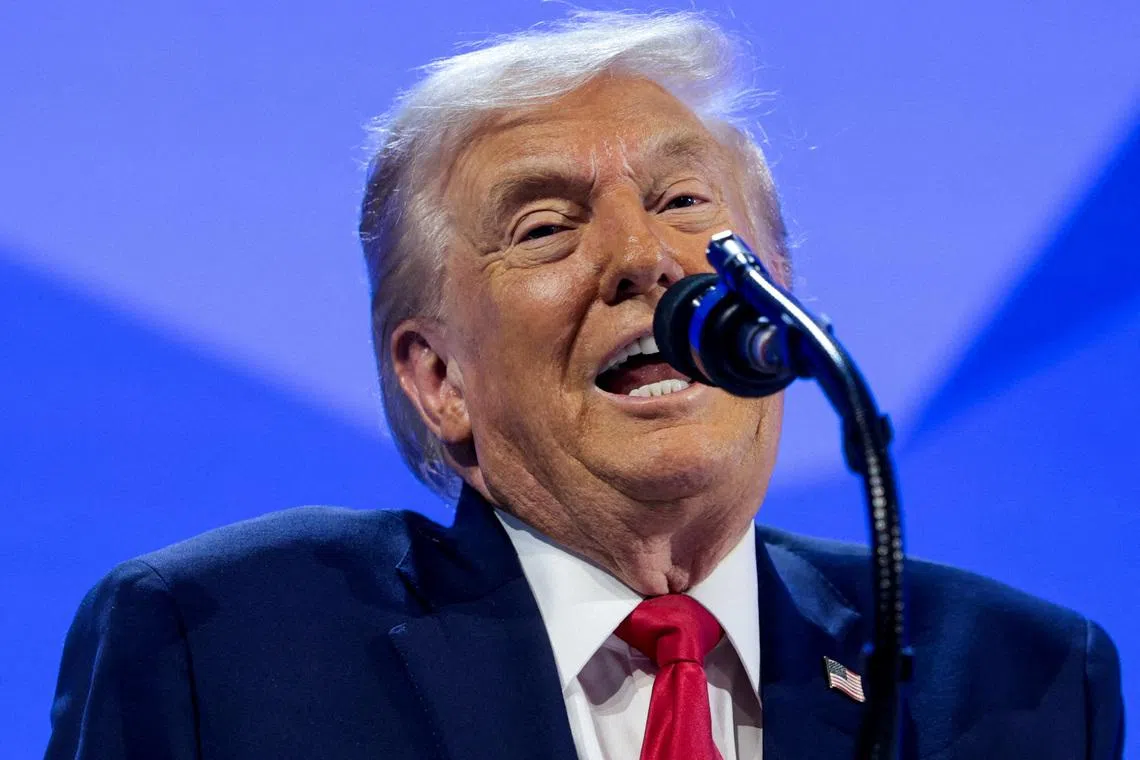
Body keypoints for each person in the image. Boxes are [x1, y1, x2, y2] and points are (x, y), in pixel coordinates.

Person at [45, 11, 1123, 760]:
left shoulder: (1015, 680)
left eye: (687, 201)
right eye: (545, 226)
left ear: (779, 300)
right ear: (437, 378)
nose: (644, 260)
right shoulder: (222, 645)